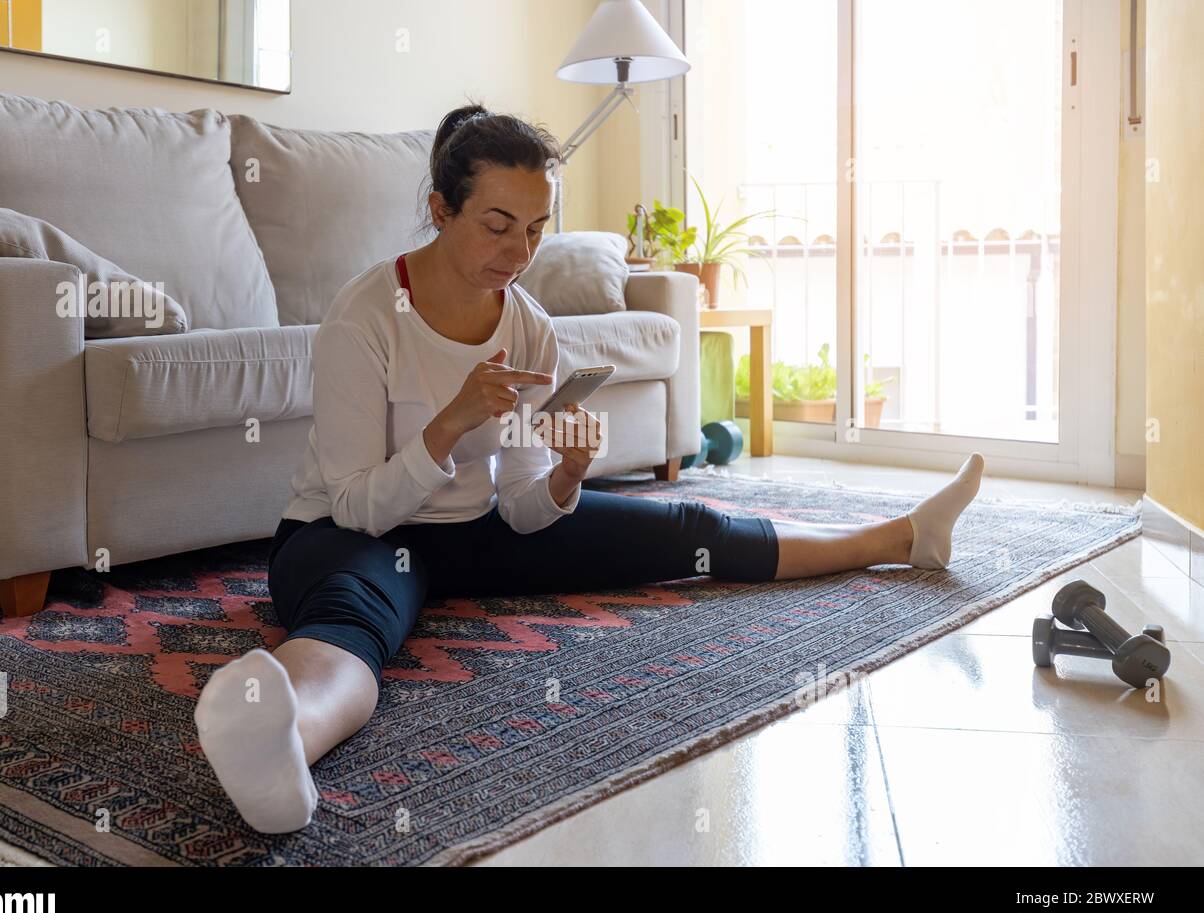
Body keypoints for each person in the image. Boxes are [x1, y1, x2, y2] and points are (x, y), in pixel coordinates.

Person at [194, 103, 986, 833]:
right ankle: (283, 739)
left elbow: (520, 507)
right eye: (498, 225)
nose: (518, 253)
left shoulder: (531, 328)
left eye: (536, 229)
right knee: (353, 618)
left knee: (691, 528)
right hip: (348, 533)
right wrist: (452, 423)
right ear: (440, 209)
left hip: (474, 529)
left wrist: (567, 478)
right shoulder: (365, 316)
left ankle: (906, 535)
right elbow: (360, 505)